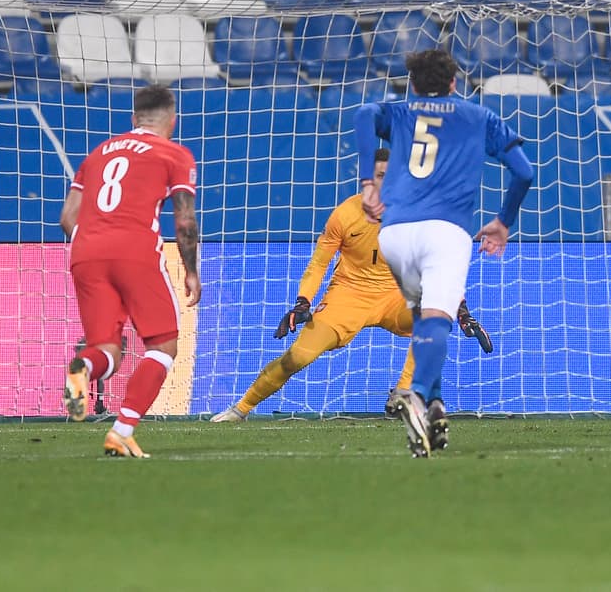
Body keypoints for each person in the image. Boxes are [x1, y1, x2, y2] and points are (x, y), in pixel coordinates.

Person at [209, 148, 492, 425]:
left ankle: (402, 393)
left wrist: (462, 311)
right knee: (298, 356)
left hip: (395, 296)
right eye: (380, 175)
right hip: (349, 295)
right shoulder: (345, 215)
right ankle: (241, 408)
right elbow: (319, 263)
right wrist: (303, 301)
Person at [356, 49, 534, 457]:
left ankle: (434, 405)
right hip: (445, 232)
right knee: (438, 318)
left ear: (413, 84)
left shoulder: (400, 112)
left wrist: (368, 182)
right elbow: (525, 171)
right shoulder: (478, 116)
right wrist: (503, 221)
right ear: (454, 83)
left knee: (421, 317)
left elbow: (365, 113)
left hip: (394, 233)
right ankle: (416, 396)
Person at [59, 84, 201, 458]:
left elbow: (67, 218)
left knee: (106, 350)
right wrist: (191, 270)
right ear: (173, 121)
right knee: (163, 344)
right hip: (134, 250)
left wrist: (99, 240)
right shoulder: (174, 153)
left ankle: (83, 367)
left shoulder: (99, 153)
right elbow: (184, 221)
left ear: (133, 119)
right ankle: (121, 431)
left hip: (86, 252)